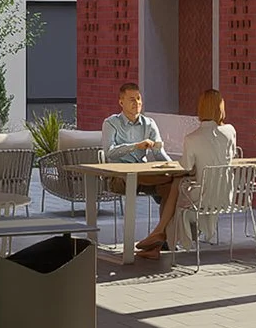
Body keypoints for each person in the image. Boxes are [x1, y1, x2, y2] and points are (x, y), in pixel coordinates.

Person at [102, 83, 181, 261]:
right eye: (131, 99)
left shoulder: (149, 123)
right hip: (119, 176)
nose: (136, 103)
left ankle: (160, 239)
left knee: (173, 185)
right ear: (121, 102)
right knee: (163, 182)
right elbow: (109, 151)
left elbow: (159, 151)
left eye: (139, 99)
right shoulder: (111, 123)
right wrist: (135, 146)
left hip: (145, 176)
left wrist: (173, 167)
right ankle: (156, 238)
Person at [165, 89, 239, 252]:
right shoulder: (230, 131)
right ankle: (191, 234)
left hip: (203, 196)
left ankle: (170, 239)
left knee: (175, 194)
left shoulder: (192, 138)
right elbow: (231, 156)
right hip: (226, 194)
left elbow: (186, 166)